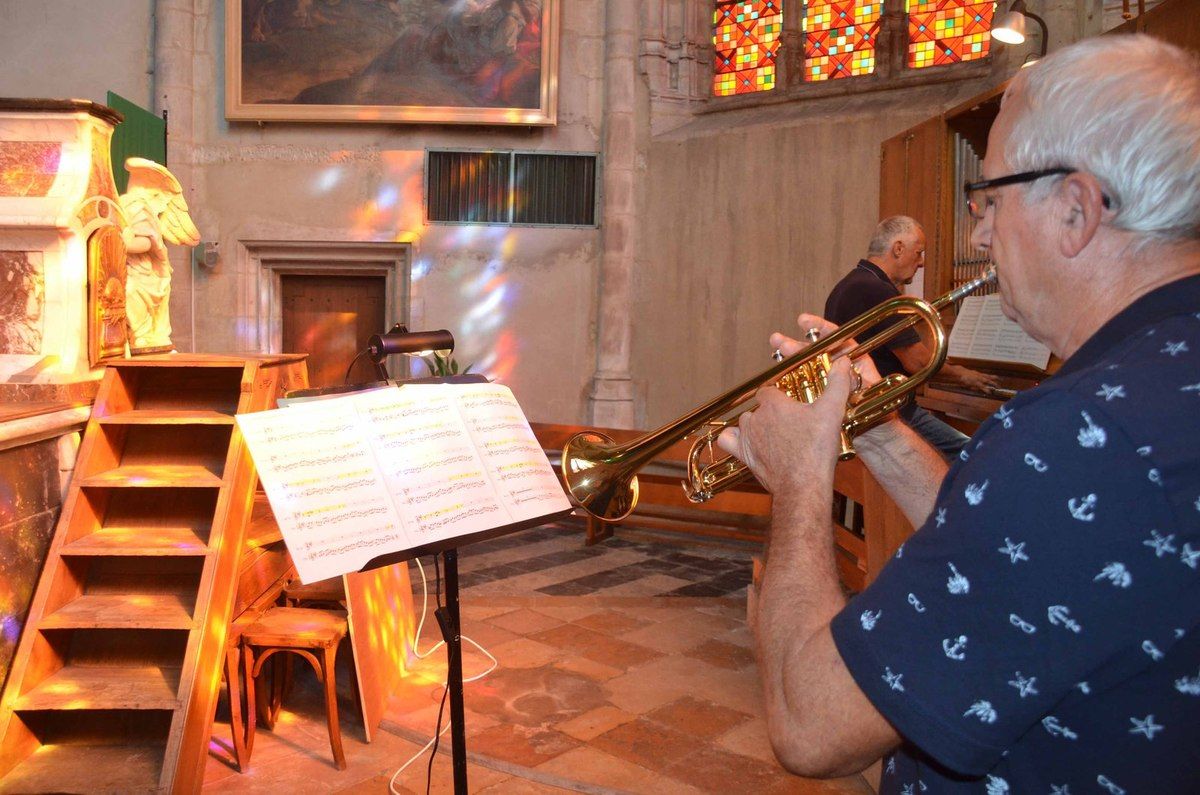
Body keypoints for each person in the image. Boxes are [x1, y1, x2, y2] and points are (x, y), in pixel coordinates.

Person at [719, 34, 1200, 793]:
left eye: (992, 199)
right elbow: (1026, 556)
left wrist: (800, 475)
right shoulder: (1161, 375)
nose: (978, 232)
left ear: (1075, 209)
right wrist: (875, 431)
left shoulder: (1085, 431)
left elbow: (809, 725)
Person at [824, 216, 999, 458]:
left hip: (862, 413)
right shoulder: (876, 290)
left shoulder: (849, 284)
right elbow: (916, 363)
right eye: (919, 253)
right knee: (977, 454)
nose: (922, 262)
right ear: (898, 249)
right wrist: (963, 375)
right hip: (887, 415)